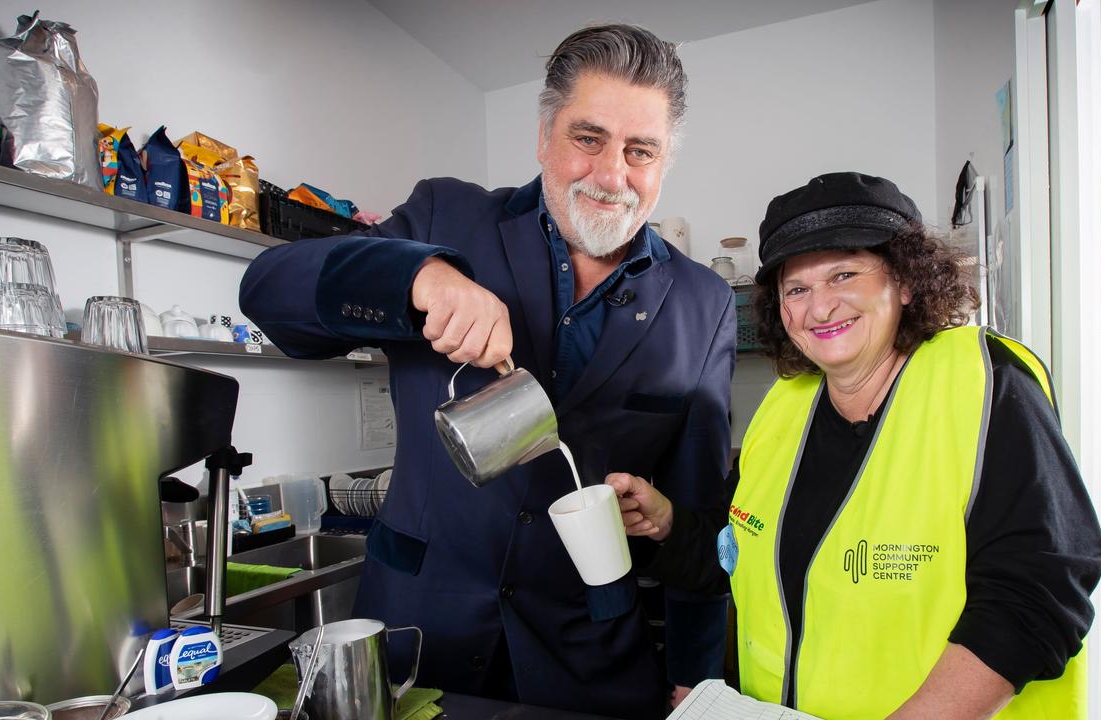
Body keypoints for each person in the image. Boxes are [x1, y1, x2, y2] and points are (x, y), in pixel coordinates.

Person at [239, 24, 735, 719]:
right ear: (544, 136)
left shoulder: (703, 304)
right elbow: (269, 289)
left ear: (663, 163)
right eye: (588, 138)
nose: (611, 173)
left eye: (640, 150)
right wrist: (420, 278)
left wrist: (696, 675)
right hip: (419, 637)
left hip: (588, 663)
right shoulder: (452, 217)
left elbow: (703, 518)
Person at [607, 172, 1101, 719]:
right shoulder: (783, 409)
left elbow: (1038, 596)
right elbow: (737, 555)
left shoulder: (986, 383)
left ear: (907, 281)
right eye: (796, 289)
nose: (819, 308)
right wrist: (667, 524)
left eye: (843, 275)